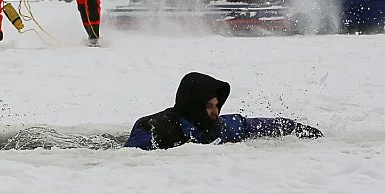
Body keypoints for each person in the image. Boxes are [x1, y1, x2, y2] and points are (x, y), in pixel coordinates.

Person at [124, 72, 322, 150]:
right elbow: (125, 159)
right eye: (208, 106)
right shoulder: (152, 128)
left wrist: (297, 128)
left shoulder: (219, 127)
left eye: (217, 105)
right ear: (193, 104)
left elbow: (253, 126)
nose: (215, 111)